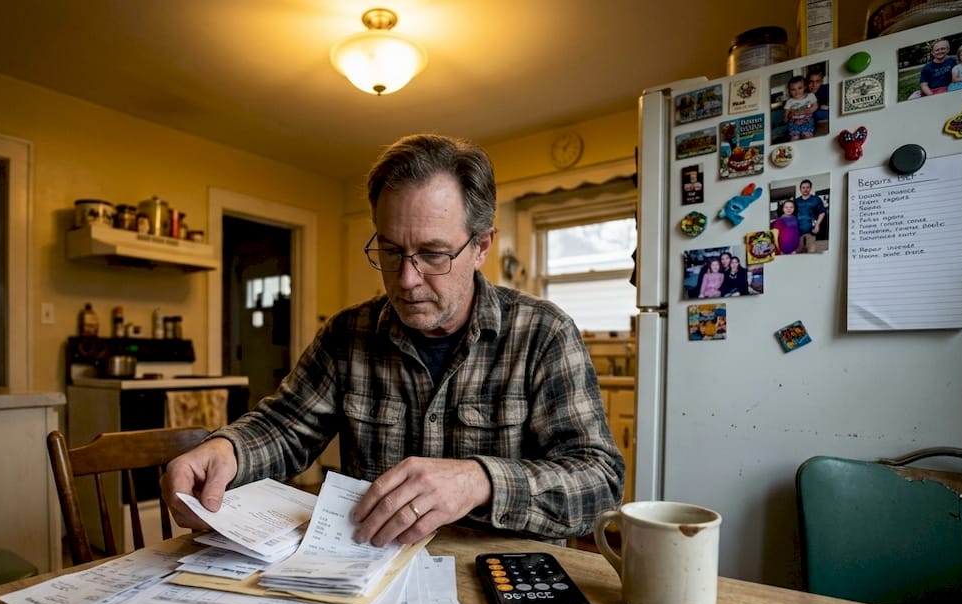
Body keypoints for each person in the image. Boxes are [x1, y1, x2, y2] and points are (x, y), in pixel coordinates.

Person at [161, 133, 625, 546]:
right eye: (390, 250)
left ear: (481, 246)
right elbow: (285, 427)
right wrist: (227, 450)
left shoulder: (543, 334)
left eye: (432, 253)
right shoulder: (347, 334)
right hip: (369, 575)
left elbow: (599, 481)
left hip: (503, 579)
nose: (405, 279)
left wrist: (480, 480)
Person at [793, 180, 826, 253]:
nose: (805, 189)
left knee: (811, 251)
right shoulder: (796, 201)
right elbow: (792, 215)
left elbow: (822, 212)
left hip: (811, 229)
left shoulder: (816, 199)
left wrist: (817, 225)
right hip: (798, 231)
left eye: (807, 187)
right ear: (800, 189)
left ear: (810, 188)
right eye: (803, 187)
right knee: (797, 252)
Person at [783, 76, 817, 141]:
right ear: (789, 91)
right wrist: (786, 118)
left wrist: (806, 111)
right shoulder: (790, 101)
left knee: (808, 138)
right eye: (793, 89)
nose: (797, 91)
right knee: (794, 139)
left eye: (799, 88)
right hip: (794, 123)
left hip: (807, 121)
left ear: (805, 87)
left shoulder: (810, 96)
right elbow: (786, 113)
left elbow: (815, 106)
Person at [806, 68, 829, 135]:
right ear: (807, 83)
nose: (814, 85)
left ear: (821, 82)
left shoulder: (826, 89)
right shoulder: (805, 95)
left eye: (817, 81)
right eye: (811, 82)